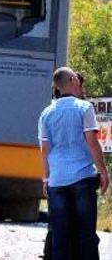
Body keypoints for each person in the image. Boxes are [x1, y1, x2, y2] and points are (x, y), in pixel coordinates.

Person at [39, 67, 108, 260]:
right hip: (82, 179)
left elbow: (45, 150)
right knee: (86, 235)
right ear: (71, 80)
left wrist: (46, 178)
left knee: (60, 236)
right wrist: (103, 172)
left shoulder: (46, 113)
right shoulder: (84, 108)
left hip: (57, 181)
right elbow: (92, 143)